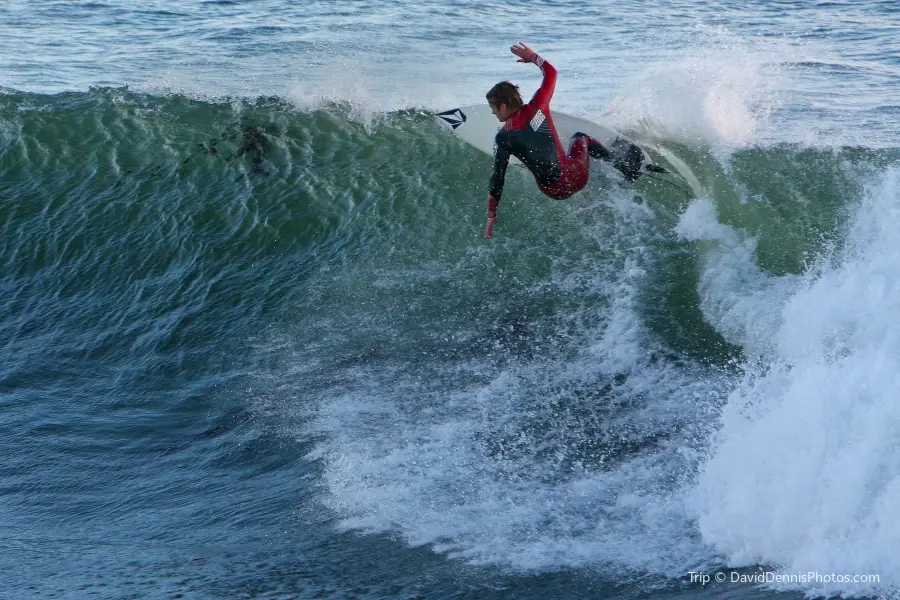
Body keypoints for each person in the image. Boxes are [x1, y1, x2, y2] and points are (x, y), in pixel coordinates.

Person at [484, 42, 617, 238]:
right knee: (580, 137)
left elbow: (498, 178)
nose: (493, 112)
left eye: (493, 108)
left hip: (555, 192)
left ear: (503, 106)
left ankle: (526, 161)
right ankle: (617, 163)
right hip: (578, 176)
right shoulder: (538, 107)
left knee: (531, 160)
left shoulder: (504, 137)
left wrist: (491, 217)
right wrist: (533, 58)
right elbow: (551, 73)